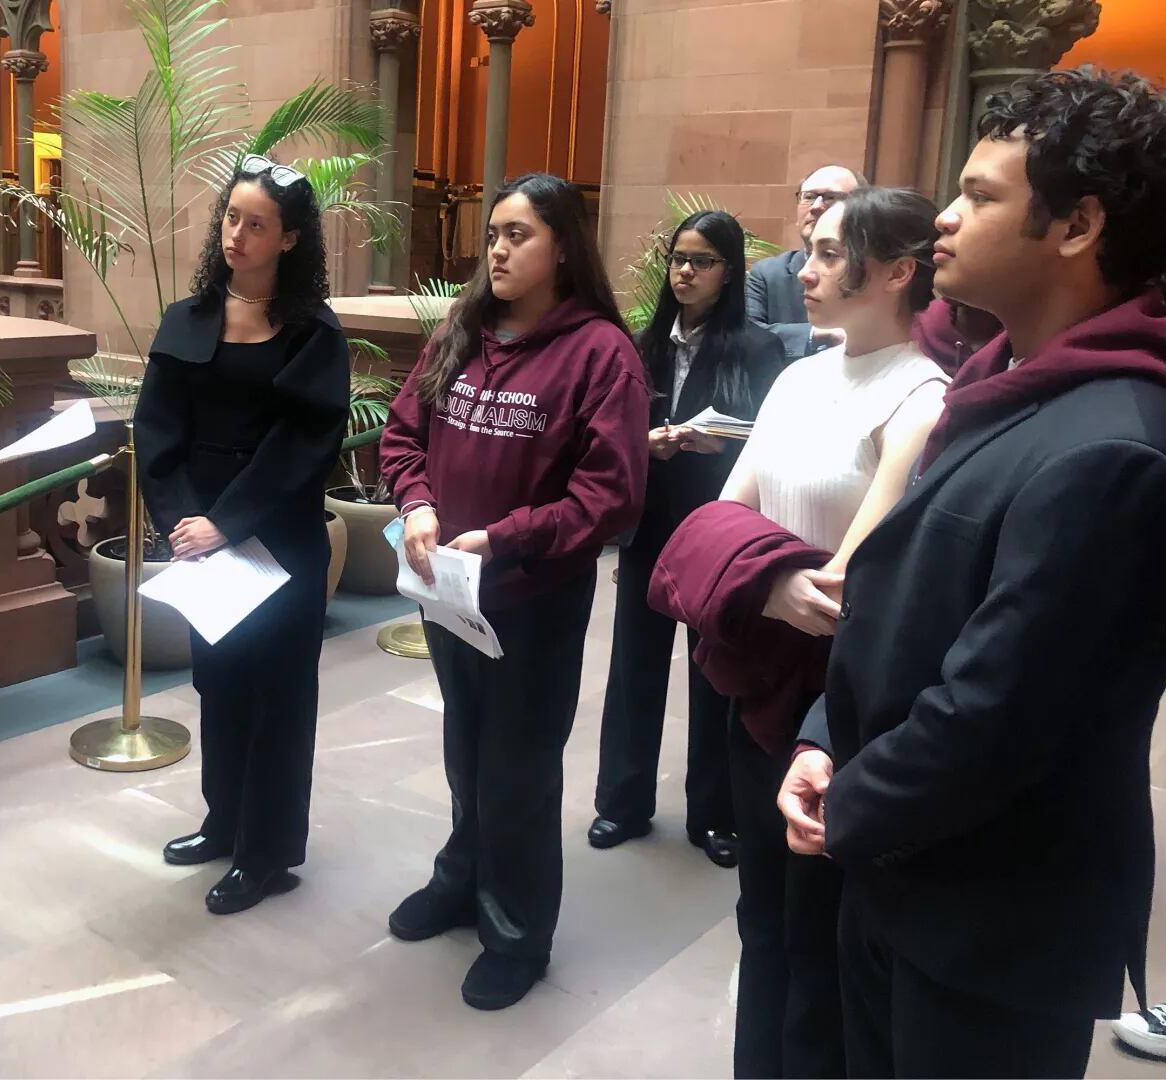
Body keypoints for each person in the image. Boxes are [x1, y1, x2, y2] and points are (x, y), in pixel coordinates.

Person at [779, 68, 1166, 1079]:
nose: (944, 220)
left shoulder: (1118, 445)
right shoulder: (1000, 378)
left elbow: (996, 716)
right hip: (898, 869)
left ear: (1079, 224)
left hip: (992, 926)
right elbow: (891, 593)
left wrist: (847, 811)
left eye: (982, 196)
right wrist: (824, 739)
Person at [379, 173, 649, 1011]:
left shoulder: (602, 354)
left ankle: (518, 929)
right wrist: (418, 504)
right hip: (450, 591)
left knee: (519, 766)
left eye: (519, 234)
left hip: (532, 599)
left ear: (562, 245)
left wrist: (507, 537)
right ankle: (462, 878)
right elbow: (402, 433)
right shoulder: (463, 330)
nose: (497, 248)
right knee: (466, 746)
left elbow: (610, 496)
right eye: (493, 232)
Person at [718, 186, 950, 1078]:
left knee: (815, 933)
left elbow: (844, 586)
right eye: (806, 250)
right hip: (754, 670)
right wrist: (767, 579)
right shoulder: (799, 373)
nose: (802, 271)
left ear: (895, 272)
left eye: (824, 252)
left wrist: (755, 574)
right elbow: (719, 519)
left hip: (837, 699)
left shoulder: (922, 398)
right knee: (760, 920)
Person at [135, 155, 349, 916]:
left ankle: (267, 854)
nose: (237, 234)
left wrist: (227, 521)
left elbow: (304, 443)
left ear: (290, 239)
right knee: (218, 685)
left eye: (256, 225)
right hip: (201, 540)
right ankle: (224, 822)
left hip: (277, 544)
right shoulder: (185, 320)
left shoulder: (313, 334)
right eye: (231, 217)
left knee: (278, 699)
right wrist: (183, 524)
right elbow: (156, 431)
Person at [590, 210, 786, 867]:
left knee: (715, 674)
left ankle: (716, 815)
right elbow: (614, 432)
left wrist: (714, 447)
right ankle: (621, 803)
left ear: (729, 271)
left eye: (701, 261)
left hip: (717, 529)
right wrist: (647, 444)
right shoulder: (645, 345)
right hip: (650, 528)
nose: (685, 272)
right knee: (634, 669)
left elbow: (773, 438)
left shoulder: (757, 347)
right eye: (678, 258)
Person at [747, 165, 865, 361]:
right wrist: (816, 334)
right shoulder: (768, 274)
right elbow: (745, 335)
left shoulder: (875, 274)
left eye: (831, 197)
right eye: (809, 196)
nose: (816, 206)